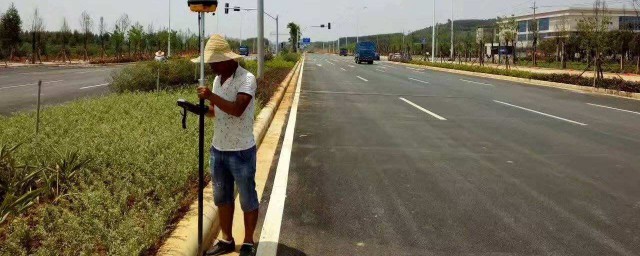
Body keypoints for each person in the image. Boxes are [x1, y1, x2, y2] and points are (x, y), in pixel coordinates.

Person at [194, 34, 258, 256]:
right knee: (222, 197)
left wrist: (211, 95)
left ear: (229, 60)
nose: (211, 66)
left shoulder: (246, 79)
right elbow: (216, 111)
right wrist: (200, 109)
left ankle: (248, 242)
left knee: (247, 196)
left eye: (214, 62)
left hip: (241, 151)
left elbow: (237, 109)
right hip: (218, 149)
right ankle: (227, 239)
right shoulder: (217, 79)